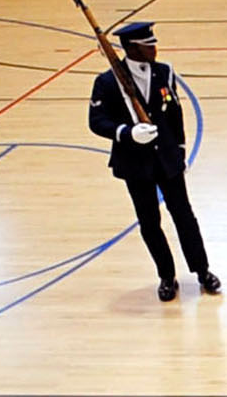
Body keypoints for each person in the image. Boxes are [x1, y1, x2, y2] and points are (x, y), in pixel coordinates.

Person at [87, 21, 218, 302]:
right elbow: (96, 121)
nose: (154, 49)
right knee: (149, 221)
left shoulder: (164, 73)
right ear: (133, 49)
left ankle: (202, 270)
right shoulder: (108, 82)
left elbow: (175, 114)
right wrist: (126, 132)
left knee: (184, 216)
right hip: (136, 163)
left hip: (167, 158)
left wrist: (180, 150)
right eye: (149, 45)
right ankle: (166, 276)